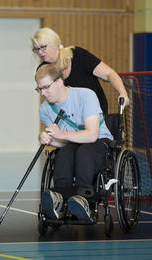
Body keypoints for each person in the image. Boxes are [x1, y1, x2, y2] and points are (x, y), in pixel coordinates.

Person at [35, 63, 113, 222]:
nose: (43, 93)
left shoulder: (85, 95)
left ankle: (84, 199)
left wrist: (61, 134)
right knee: (64, 154)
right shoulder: (44, 109)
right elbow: (63, 142)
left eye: (46, 87)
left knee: (85, 152)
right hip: (72, 144)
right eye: (39, 89)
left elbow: (92, 135)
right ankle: (59, 197)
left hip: (99, 140)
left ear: (59, 81)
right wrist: (50, 140)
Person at [31, 27, 129, 115]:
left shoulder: (78, 55)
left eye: (43, 47)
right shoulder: (43, 70)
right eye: (36, 49)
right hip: (70, 119)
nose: (40, 52)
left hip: (96, 115)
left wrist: (123, 93)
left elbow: (109, 74)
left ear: (55, 43)